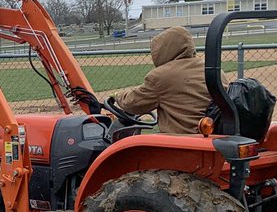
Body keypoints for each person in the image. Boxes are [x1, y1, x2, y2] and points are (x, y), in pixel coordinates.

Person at [71, 26, 214, 134]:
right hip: (209, 133)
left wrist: (117, 96)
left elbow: (133, 103)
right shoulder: (211, 69)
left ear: (164, 50)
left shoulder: (162, 76)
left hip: (182, 137)